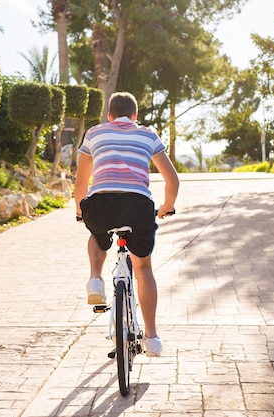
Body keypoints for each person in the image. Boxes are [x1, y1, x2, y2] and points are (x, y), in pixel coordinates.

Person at [74, 92, 179, 357]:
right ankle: (152, 338)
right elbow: (172, 180)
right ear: (135, 116)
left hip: (101, 205)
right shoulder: (147, 135)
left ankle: (95, 280)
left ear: (109, 115)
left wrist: (80, 211)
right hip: (138, 207)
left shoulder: (94, 133)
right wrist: (167, 207)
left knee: (98, 235)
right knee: (142, 266)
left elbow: (81, 183)